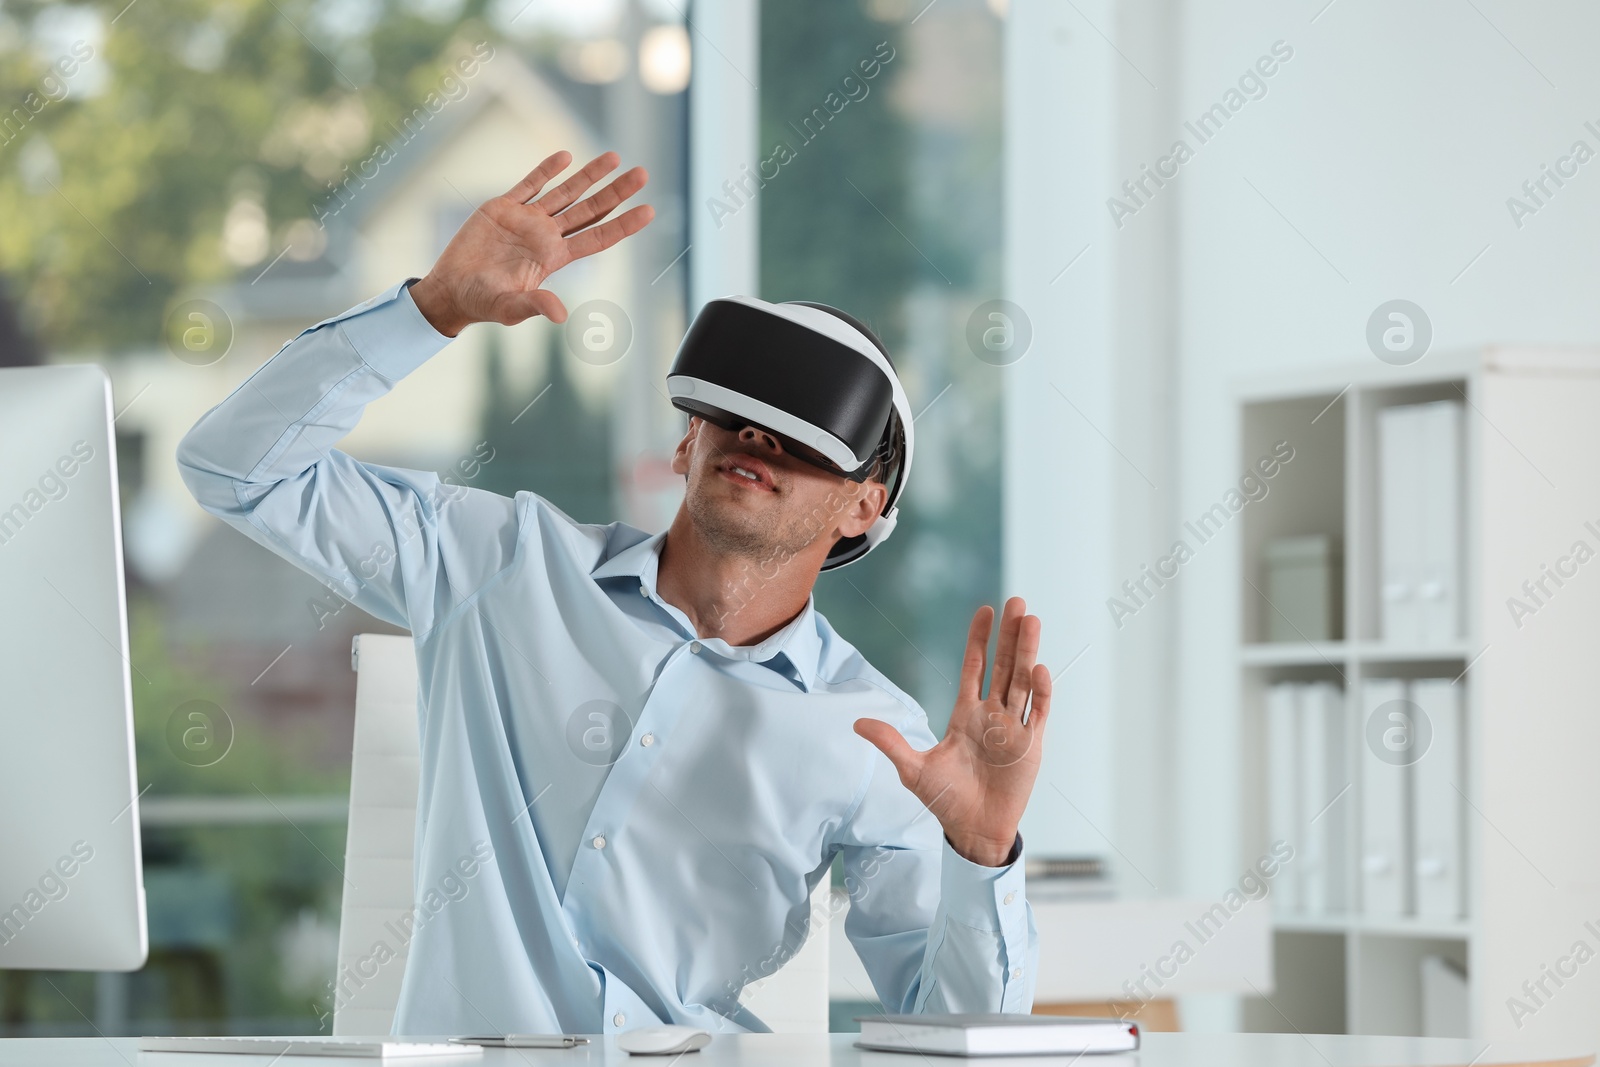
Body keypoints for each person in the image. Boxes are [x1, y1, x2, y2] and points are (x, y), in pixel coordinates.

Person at [176, 149, 1053, 1036]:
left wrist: (982, 851)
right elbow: (235, 470)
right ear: (684, 447)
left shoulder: (875, 736)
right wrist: (428, 312)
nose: (757, 432)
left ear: (866, 505)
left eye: (802, 434)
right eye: (733, 412)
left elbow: (965, 1039)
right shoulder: (499, 565)